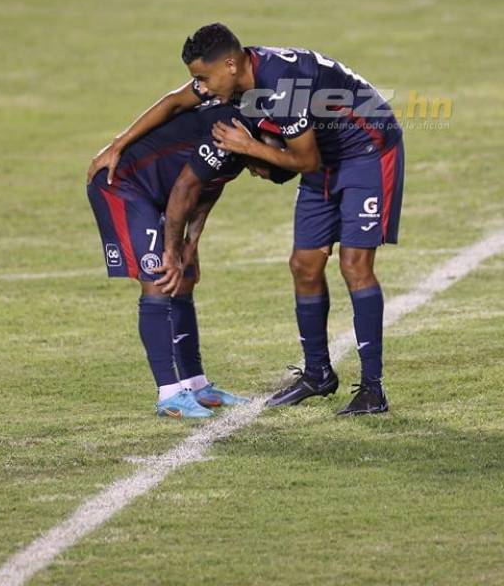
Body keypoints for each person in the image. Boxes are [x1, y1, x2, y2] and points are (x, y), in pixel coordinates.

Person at [89, 23, 404, 416]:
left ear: (231, 64)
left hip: (366, 151)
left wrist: (248, 147)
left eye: (204, 78)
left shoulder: (280, 89)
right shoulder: (238, 80)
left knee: (354, 264)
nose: (200, 87)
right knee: (303, 265)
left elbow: (304, 161)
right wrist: (117, 144)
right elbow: (175, 104)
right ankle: (317, 374)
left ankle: (373, 389)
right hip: (319, 155)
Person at [86, 101, 293, 418]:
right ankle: (168, 395)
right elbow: (185, 188)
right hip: (123, 184)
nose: (254, 172)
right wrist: (171, 251)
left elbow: (207, 189)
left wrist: (191, 244)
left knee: (185, 277)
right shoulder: (228, 134)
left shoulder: (241, 146)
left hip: (160, 192)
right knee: (159, 280)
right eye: (259, 169)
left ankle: (196, 386)